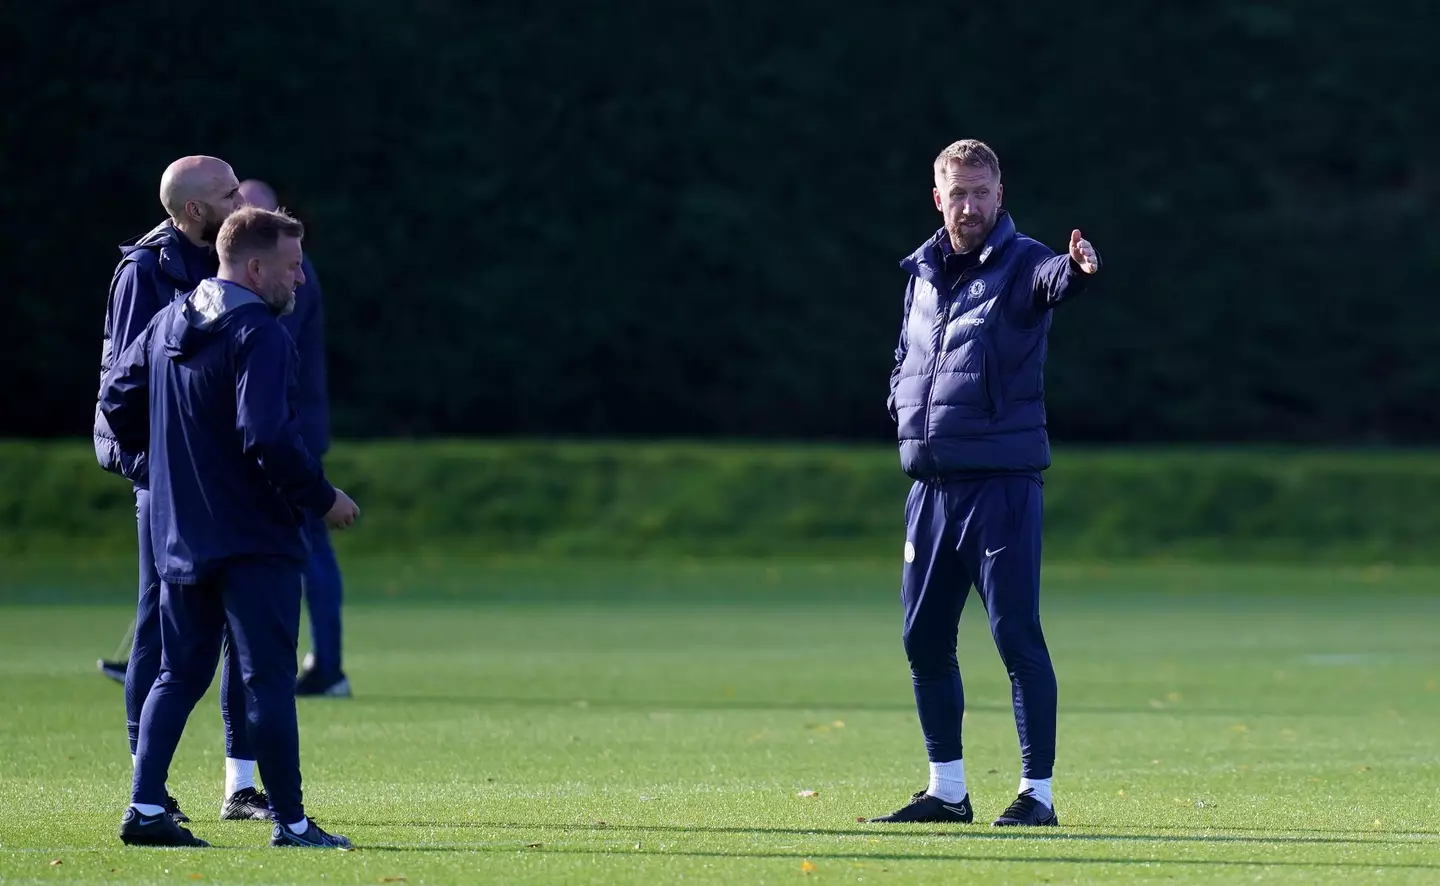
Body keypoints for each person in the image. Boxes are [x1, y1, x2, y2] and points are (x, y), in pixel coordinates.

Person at [100, 206, 361, 848]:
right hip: (253, 539)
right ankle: (293, 824)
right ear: (254, 266)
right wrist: (321, 496)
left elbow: (115, 400)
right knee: (266, 679)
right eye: (292, 266)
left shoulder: (167, 322)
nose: (299, 281)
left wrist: (163, 468)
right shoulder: (262, 335)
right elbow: (266, 434)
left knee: (178, 674)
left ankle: (147, 809)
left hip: (181, 534)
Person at [868, 139, 1102, 827]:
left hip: (1000, 484)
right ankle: (946, 790)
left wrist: (1080, 270)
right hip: (931, 485)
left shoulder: (1026, 261)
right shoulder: (920, 272)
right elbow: (904, 357)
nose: (970, 206)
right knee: (923, 639)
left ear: (1000, 196)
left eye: (981, 192)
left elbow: (1058, 280)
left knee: (1015, 634)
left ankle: (1039, 795)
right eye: (958, 193)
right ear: (937, 198)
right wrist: (902, 407)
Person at [92, 155, 272, 823]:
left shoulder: (239, 258)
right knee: (158, 631)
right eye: (228, 192)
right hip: (169, 480)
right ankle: (149, 785)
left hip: (235, 475)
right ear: (193, 211)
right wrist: (150, 465)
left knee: (242, 630)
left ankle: (241, 786)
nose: (241, 196)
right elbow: (122, 383)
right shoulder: (145, 270)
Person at [237, 178, 350, 698]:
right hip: (289, 428)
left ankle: (324, 666)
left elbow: (269, 351)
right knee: (304, 549)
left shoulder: (289, 278)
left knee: (302, 549)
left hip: (290, 433)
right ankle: (320, 666)